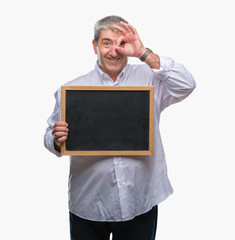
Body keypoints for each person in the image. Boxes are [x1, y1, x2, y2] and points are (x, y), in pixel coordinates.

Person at [44, 15, 196, 240]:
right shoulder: (72, 89)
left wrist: (143, 53)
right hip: (89, 204)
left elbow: (187, 84)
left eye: (121, 44)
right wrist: (57, 139)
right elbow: (49, 136)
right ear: (95, 45)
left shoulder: (151, 80)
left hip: (140, 201)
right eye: (107, 43)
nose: (114, 51)